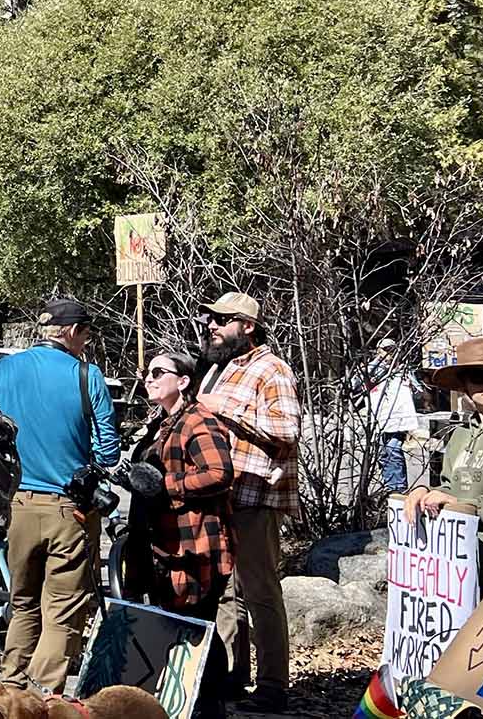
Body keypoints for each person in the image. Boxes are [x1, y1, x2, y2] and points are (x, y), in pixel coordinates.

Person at [0, 295, 119, 695]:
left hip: (16, 505)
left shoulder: (0, 371)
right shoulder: (88, 376)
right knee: (64, 609)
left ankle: (13, 683)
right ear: (71, 332)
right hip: (70, 509)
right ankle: (39, 695)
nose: (86, 342)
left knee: (23, 602)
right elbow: (108, 451)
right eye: (85, 333)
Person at [198, 292, 298, 713]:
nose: (212, 325)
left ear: (248, 325)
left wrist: (220, 409)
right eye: (211, 319)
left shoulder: (271, 369)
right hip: (223, 496)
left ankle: (274, 686)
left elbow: (287, 428)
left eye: (222, 320)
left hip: (257, 497)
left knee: (260, 591)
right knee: (227, 595)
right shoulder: (218, 370)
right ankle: (234, 677)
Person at [121, 349, 235, 719]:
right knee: (179, 624)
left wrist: (168, 485)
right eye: (146, 372)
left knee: (196, 627)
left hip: (195, 545)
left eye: (158, 372)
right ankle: (192, 704)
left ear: (183, 382)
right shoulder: (163, 422)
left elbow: (220, 473)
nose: (149, 379)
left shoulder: (198, 422)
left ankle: (209, 706)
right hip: (164, 544)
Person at [404, 338, 483, 590]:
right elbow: (451, 487)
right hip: (456, 564)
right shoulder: (459, 435)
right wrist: (425, 493)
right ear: (465, 385)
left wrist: (470, 507)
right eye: (478, 376)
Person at [364, 341, 421, 495]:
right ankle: (389, 486)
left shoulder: (403, 370)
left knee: (393, 450)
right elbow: (356, 382)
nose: (388, 354)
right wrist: (377, 361)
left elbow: (418, 390)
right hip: (379, 419)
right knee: (382, 454)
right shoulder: (372, 370)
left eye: (392, 350)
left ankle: (398, 489)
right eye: (385, 350)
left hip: (398, 420)